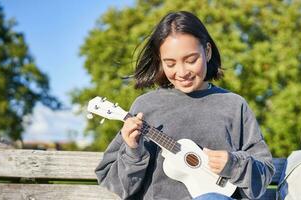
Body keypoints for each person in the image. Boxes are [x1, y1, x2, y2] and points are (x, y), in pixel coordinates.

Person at [95, 11, 275, 200]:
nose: (181, 72)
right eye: (170, 63)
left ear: (207, 51)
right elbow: (117, 186)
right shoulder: (145, 107)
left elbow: (264, 174)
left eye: (190, 60)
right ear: (160, 60)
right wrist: (132, 150)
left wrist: (234, 164)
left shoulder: (234, 105)